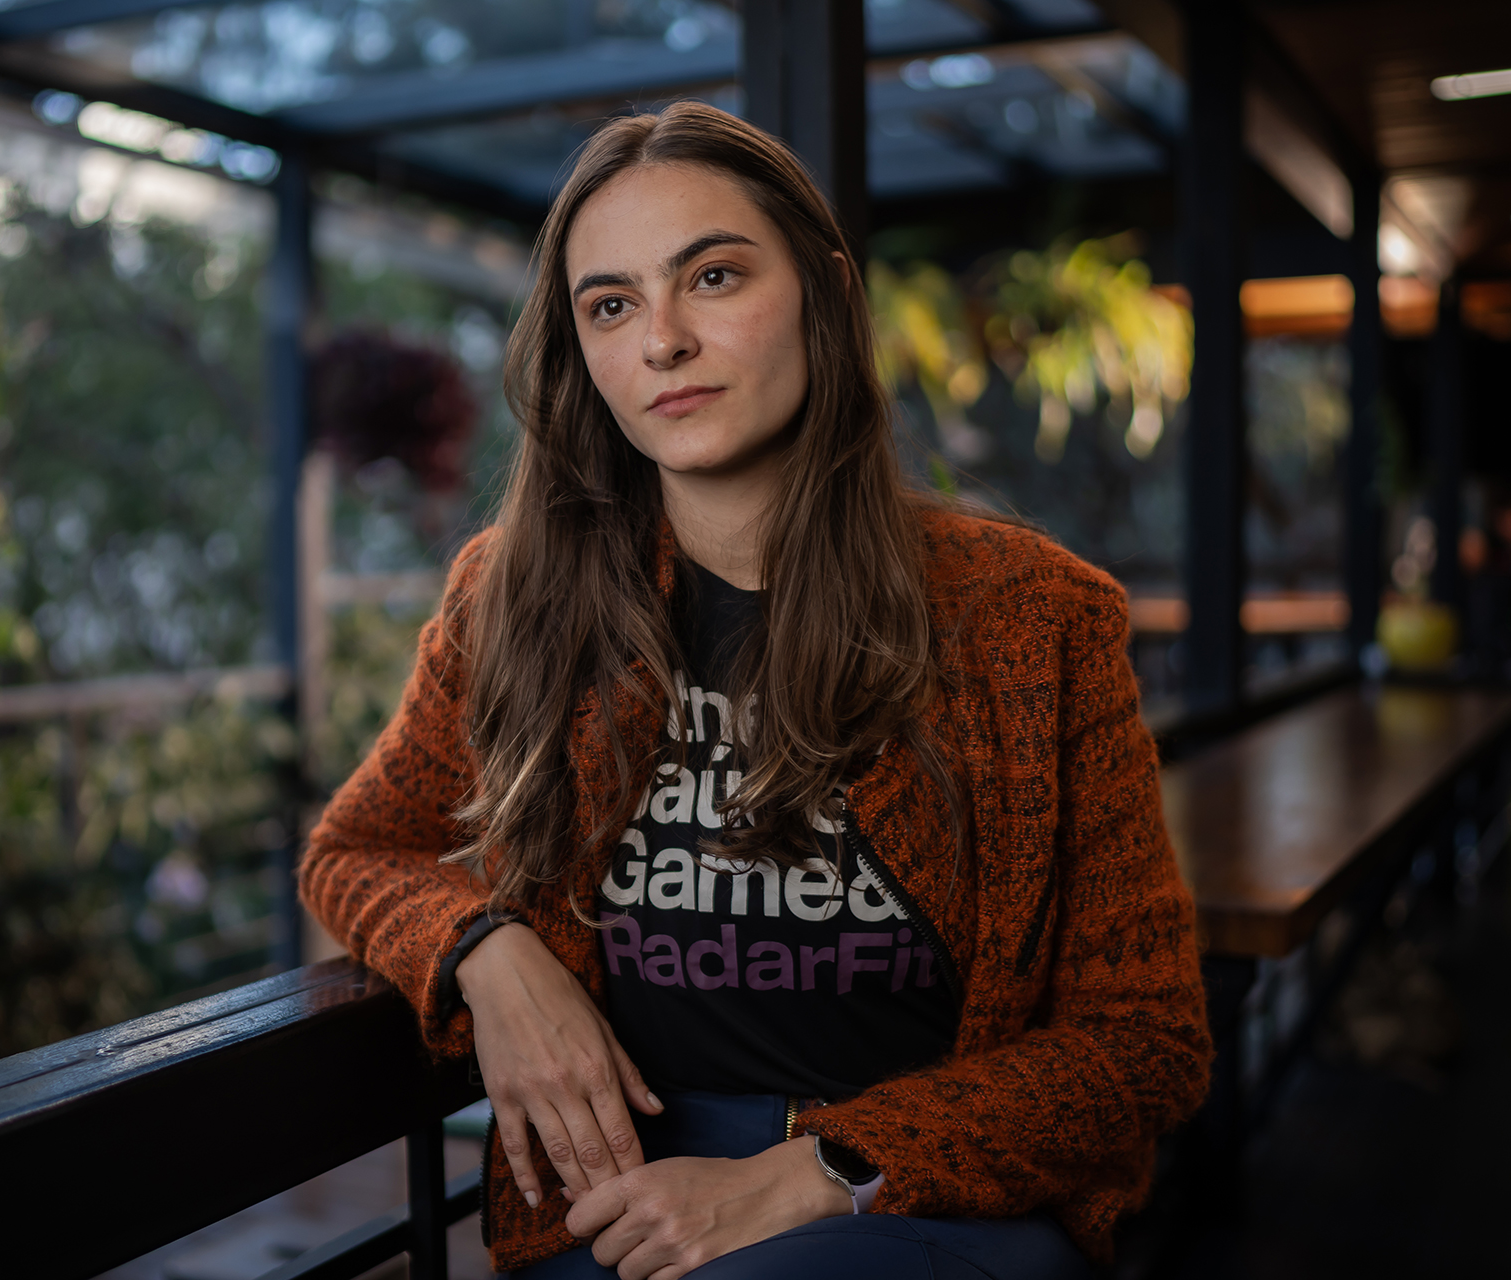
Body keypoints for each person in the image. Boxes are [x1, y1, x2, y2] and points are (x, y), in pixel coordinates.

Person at [300, 101, 1211, 1280]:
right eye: (612, 304)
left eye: (714, 277)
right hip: (614, 1209)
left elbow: (1146, 1042)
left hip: (913, 1198)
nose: (662, 341)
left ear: (827, 291)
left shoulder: (1032, 618)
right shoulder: (516, 597)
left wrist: (811, 1171)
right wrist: (483, 946)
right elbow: (355, 847)